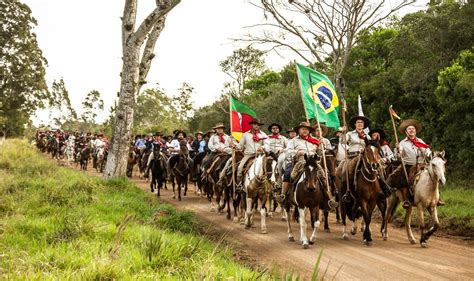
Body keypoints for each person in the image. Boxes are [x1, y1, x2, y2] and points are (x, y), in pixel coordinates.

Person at [388, 119, 443, 208]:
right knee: (405, 180)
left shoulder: (420, 141)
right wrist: (398, 150)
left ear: (415, 131)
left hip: (422, 165)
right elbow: (397, 156)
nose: (412, 130)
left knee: (434, 176)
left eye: (413, 129)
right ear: (406, 132)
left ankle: (437, 197)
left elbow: (428, 152)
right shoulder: (402, 143)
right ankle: (407, 199)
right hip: (408, 166)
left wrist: (425, 151)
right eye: (409, 129)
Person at [277, 121, 320, 202]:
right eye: (303, 129)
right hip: (299, 161)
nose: (305, 131)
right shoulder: (293, 141)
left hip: (313, 163)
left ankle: (327, 197)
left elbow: (319, 152)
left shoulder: (315, 140)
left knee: (325, 175)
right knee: (288, 174)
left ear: (309, 131)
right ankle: (283, 194)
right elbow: (288, 152)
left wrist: (321, 149)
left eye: (307, 129)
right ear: (299, 130)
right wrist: (298, 152)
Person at [340, 116, 371, 202]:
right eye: (358, 122)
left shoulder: (367, 136)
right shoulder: (349, 134)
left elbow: (370, 147)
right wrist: (343, 133)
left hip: (364, 157)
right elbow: (342, 141)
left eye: (362, 123)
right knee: (345, 170)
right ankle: (347, 191)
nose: (360, 124)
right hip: (352, 156)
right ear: (355, 124)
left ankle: (382, 190)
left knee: (377, 168)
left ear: (363, 125)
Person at [235, 118, 268, 189]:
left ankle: (271, 184)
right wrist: (234, 145)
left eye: (258, 125)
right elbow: (240, 146)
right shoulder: (245, 134)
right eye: (255, 124)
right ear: (252, 125)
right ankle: (239, 185)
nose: (256, 126)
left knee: (269, 167)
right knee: (240, 167)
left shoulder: (263, 135)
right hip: (249, 155)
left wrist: (262, 147)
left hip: (260, 155)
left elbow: (267, 144)